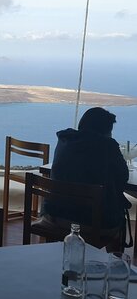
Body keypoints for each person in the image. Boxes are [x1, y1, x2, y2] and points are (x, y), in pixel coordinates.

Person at [42, 107, 130, 252]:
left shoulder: (65, 140)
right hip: (92, 223)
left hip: (56, 215)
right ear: (104, 131)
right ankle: (114, 264)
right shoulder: (108, 146)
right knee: (120, 222)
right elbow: (123, 177)